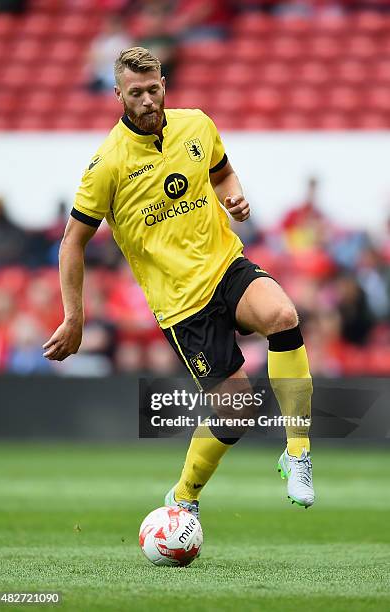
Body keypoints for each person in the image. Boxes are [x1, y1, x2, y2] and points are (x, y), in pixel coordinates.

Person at [43, 47, 314, 517]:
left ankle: (298, 453)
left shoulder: (196, 124)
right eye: (135, 93)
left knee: (284, 316)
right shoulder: (108, 164)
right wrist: (74, 316)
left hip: (226, 264)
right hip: (183, 305)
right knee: (237, 410)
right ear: (118, 96)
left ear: (164, 85)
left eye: (153, 89)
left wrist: (234, 197)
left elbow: (223, 172)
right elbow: (72, 242)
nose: (147, 100)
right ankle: (184, 497)